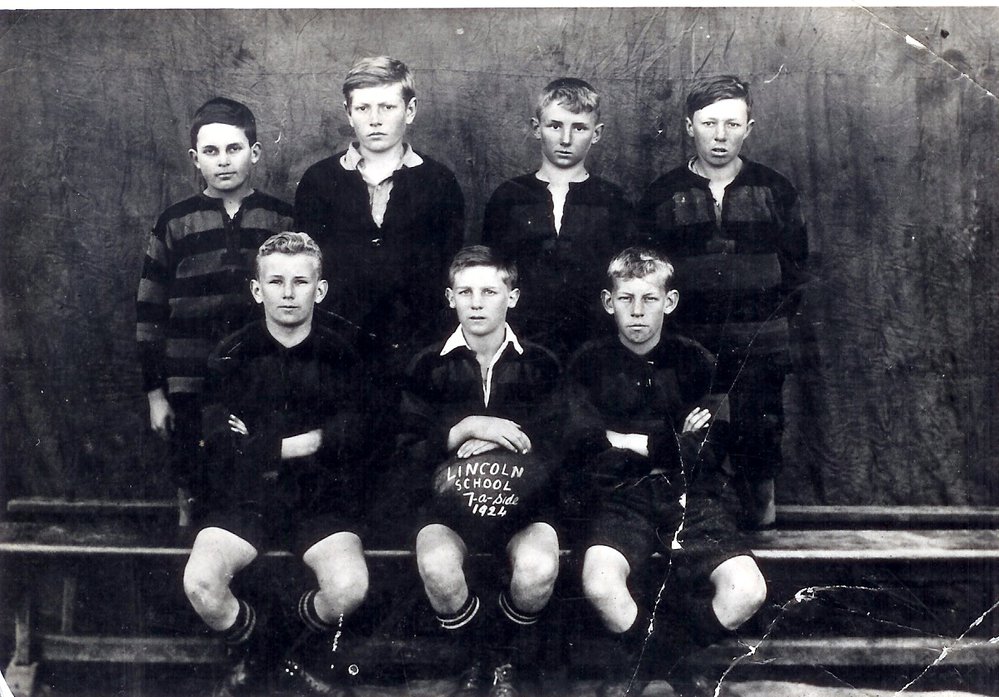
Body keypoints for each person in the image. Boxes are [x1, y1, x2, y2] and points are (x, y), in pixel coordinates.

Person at [562, 247, 767, 697]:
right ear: (607, 301)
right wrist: (670, 439)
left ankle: (652, 666)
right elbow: (582, 442)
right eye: (626, 298)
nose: (637, 311)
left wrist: (626, 439)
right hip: (618, 496)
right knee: (599, 584)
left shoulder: (697, 362)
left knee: (747, 590)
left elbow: (709, 448)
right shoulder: (587, 363)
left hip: (692, 496)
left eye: (649, 299)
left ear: (669, 302)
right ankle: (673, 669)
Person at [182, 232, 368, 697]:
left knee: (348, 587)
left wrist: (264, 444)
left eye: (300, 281)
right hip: (243, 498)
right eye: (277, 281)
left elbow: (355, 438)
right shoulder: (230, 354)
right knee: (201, 584)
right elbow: (220, 445)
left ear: (319, 290)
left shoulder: (343, 354)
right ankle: (273, 653)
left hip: (320, 499)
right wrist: (308, 441)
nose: (288, 293)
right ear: (256, 289)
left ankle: (276, 653)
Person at [636, 75, 810, 529]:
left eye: (732, 124)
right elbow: (648, 270)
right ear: (688, 126)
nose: (720, 135)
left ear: (749, 127)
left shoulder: (775, 190)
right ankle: (695, 529)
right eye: (709, 123)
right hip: (688, 342)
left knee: (759, 431)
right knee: (691, 433)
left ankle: (762, 525)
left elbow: (795, 269)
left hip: (759, 343)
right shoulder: (662, 194)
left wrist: (767, 324)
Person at [395, 246, 562, 697]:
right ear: (450, 298)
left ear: (513, 296)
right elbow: (405, 446)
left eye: (490, 291)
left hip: (523, 508)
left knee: (538, 568)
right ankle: (477, 656)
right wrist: (462, 429)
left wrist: (504, 440)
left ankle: (505, 656)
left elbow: (564, 440)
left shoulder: (540, 362)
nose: (476, 302)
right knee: (437, 565)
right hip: (447, 509)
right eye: (465, 291)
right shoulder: (426, 363)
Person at [136, 97, 293, 529]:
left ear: (255, 152)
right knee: (193, 479)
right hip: (188, 378)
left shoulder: (280, 218)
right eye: (211, 152)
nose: (223, 162)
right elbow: (149, 314)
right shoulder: (174, 223)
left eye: (234, 149)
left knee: (253, 474)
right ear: (195, 159)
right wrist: (155, 395)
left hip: (258, 372)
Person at [294, 55, 466, 373]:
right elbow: (305, 270)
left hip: (420, 349)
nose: (375, 120)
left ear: (409, 110)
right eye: (363, 108)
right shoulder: (318, 181)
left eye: (387, 107)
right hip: (336, 350)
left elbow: (451, 271)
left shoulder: (440, 182)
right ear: (348, 113)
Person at [482, 77, 634, 360]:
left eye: (579, 128)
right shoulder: (508, 197)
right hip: (521, 344)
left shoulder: (614, 201)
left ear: (597, 133)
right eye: (555, 126)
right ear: (536, 128)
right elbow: (490, 275)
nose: (565, 139)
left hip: (597, 343)